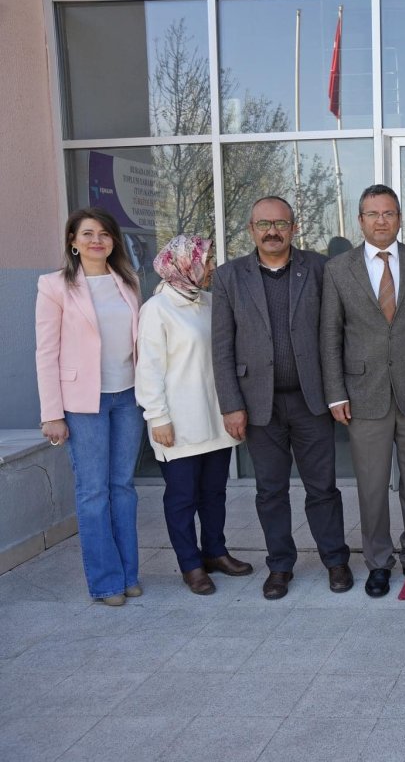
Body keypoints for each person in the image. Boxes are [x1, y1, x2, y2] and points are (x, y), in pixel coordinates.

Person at [211, 196, 352, 601]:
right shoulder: (228, 277)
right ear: (251, 229)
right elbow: (221, 347)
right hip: (259, 405)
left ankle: (335, 560)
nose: (272, 231)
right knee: (270, 491)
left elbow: (337, 333)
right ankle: (280, 565)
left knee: (322, 488)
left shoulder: (320, 269)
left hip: (311, 401)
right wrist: (231, 405)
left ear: (294, 227)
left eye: (280, 223)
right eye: (263, 224)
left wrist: (338, 392)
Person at [321, 184, 405, 597]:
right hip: (362, 393)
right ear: (360, 220)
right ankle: (378, 562)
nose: (381, 221)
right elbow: (330, 336)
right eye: (372, 214)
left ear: (400, 219)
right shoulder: (338, 269)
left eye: (388, 213)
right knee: (372, 486)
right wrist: (336, 393)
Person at [36, 207, 142, 606]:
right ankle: (106, 582)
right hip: (84, 404)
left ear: (113, 241)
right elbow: (46, 353)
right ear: (73, 242)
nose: (97, 240)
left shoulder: (128, 281)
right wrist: (52, 413)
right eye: (87, 233)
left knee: (123, 488)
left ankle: (129, 574)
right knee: (94, 491)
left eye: (104, 233)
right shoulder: (54, 286)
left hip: (127, 397)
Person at [135, 235, 251, 595]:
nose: (212, 266)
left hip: (216, 417)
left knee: (214, 493)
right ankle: (190, 564)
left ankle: (215, 552)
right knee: (182, 497)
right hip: (179, 423)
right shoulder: (157, 309)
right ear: (185, 264)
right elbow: (148, 368)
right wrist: (157, 417)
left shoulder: (211, 302)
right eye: (207, 260)